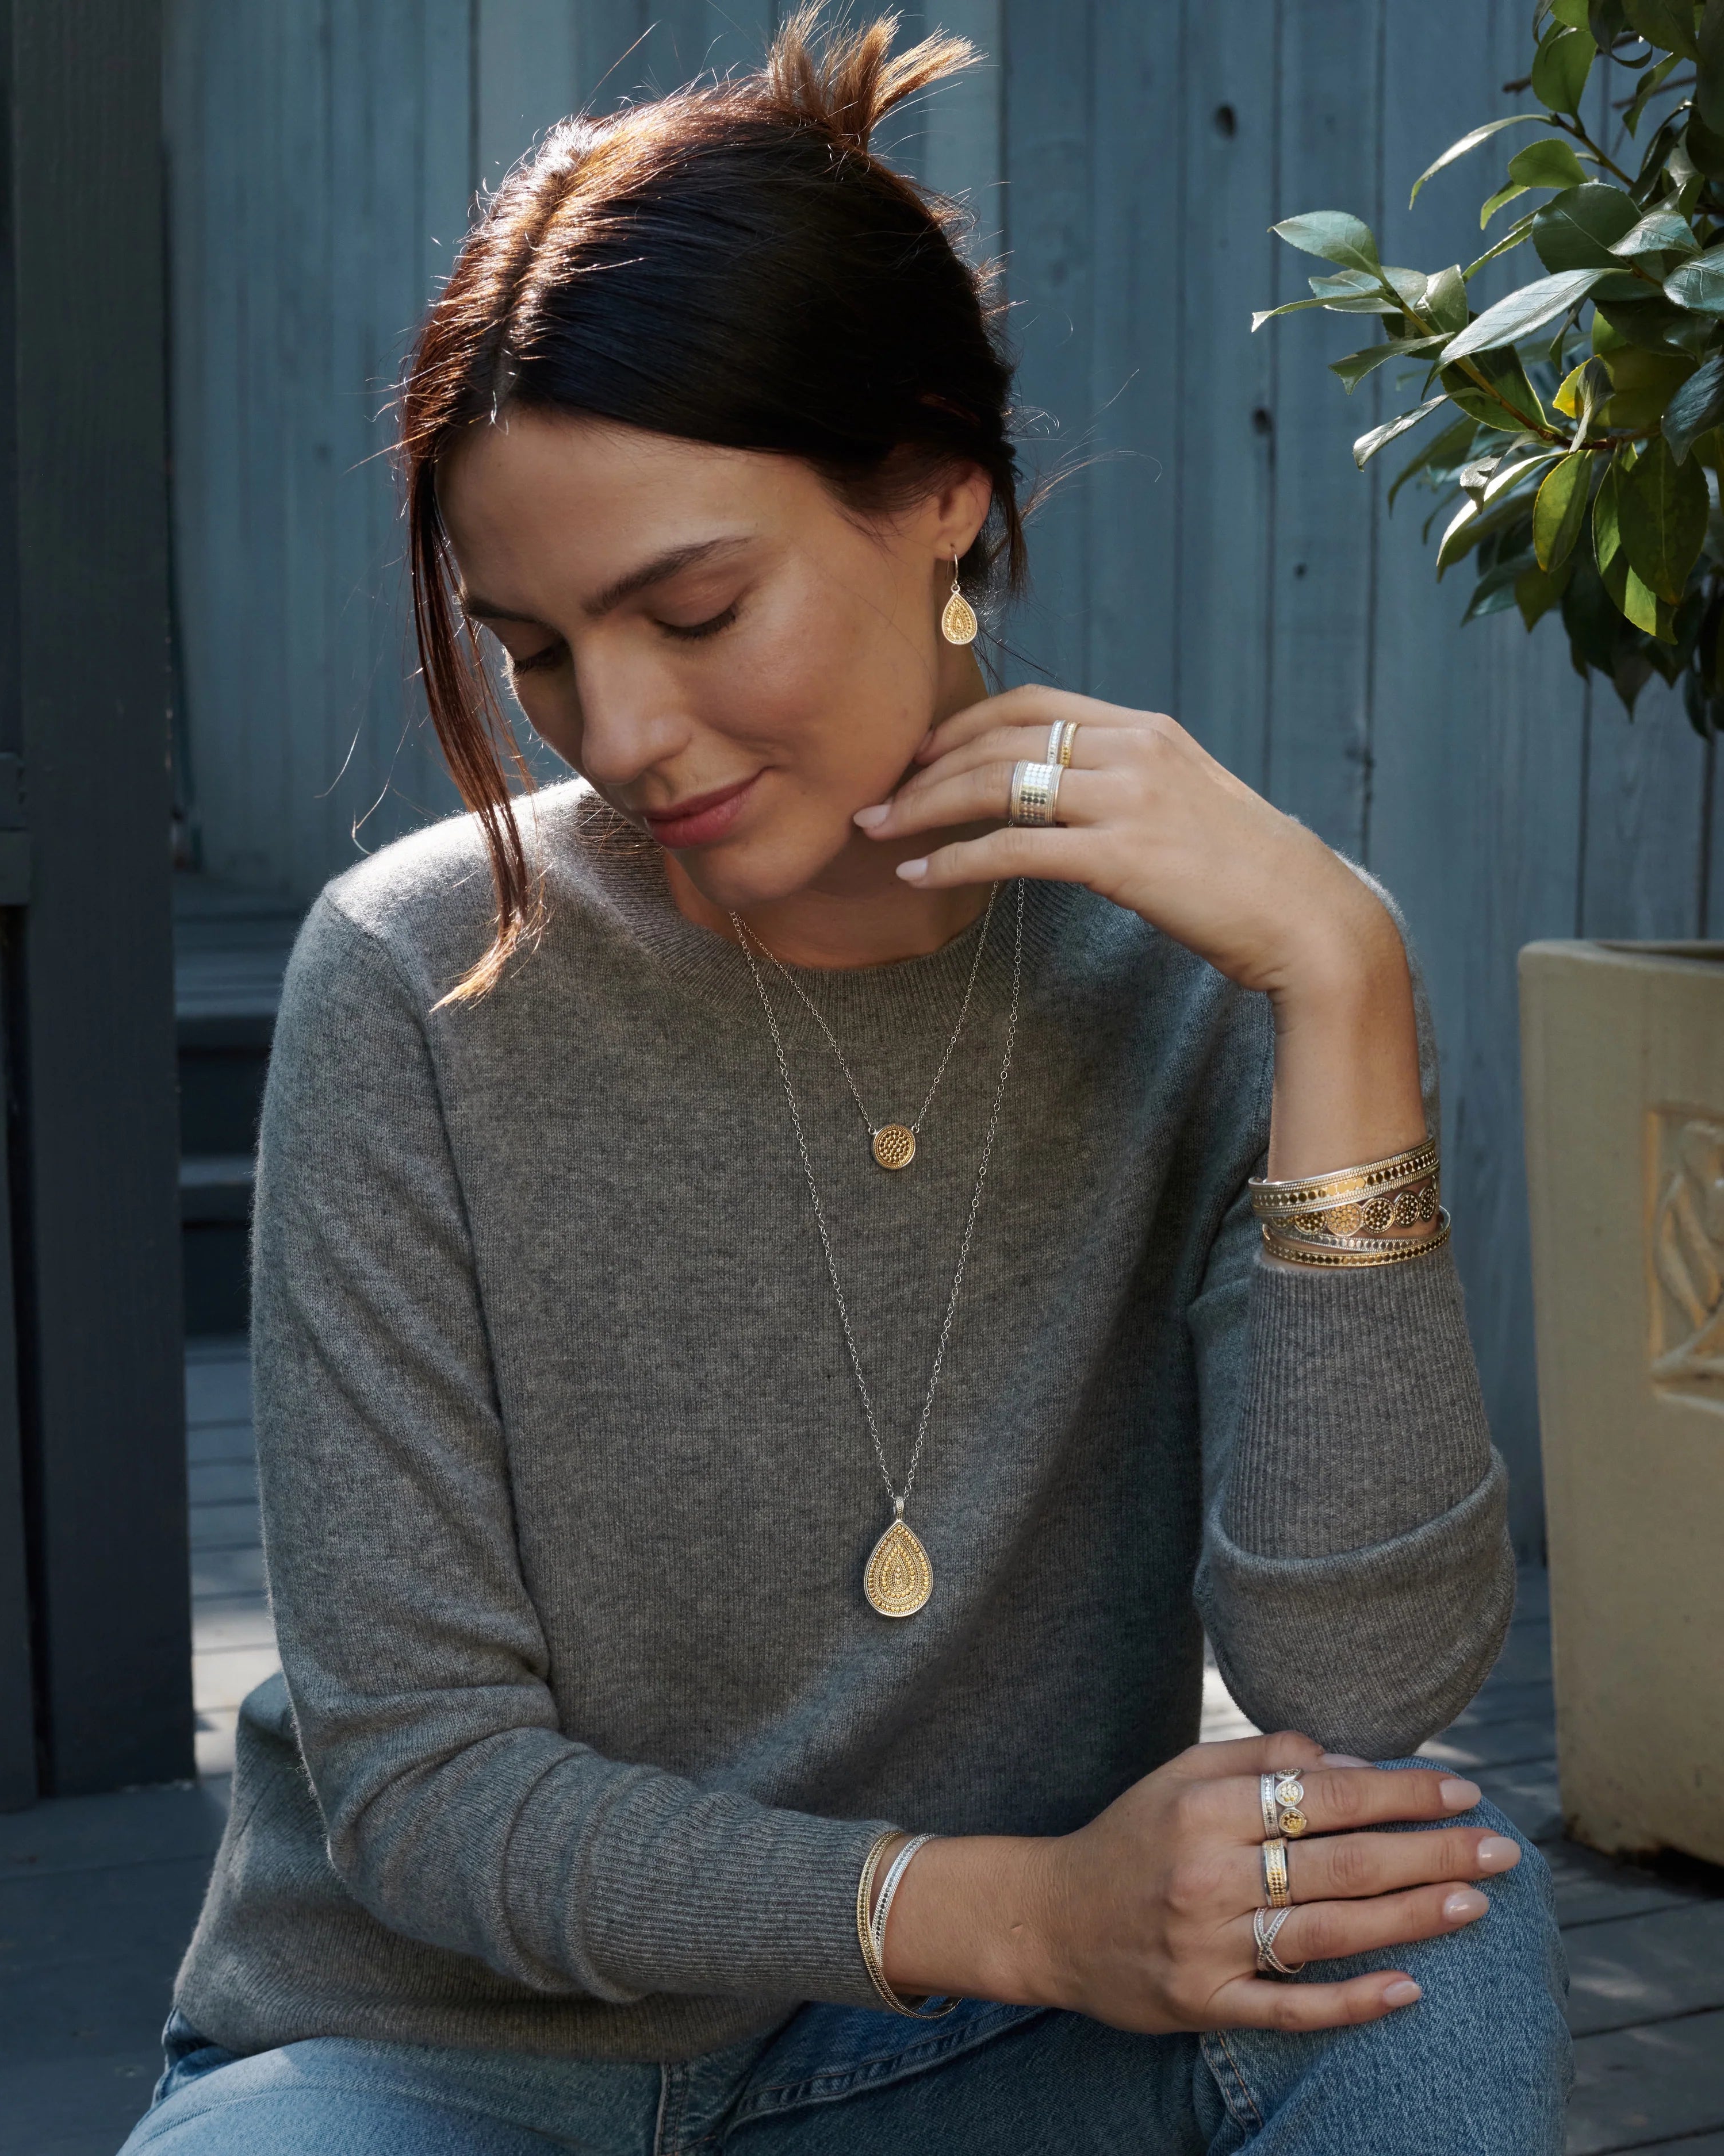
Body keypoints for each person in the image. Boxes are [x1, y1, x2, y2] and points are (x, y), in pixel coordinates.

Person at [120, 11, 1570, 2151]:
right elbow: (421, 1789)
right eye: (532, 651)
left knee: (1433, 1906)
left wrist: (1345, 989)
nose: (611, 731)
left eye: (693, 609)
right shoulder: (416, 983)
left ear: (941, 489)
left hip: (971, 2064)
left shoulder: (1194, 983)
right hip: (442, 2064)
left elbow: (1364, 1695)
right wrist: (1016, 1915)